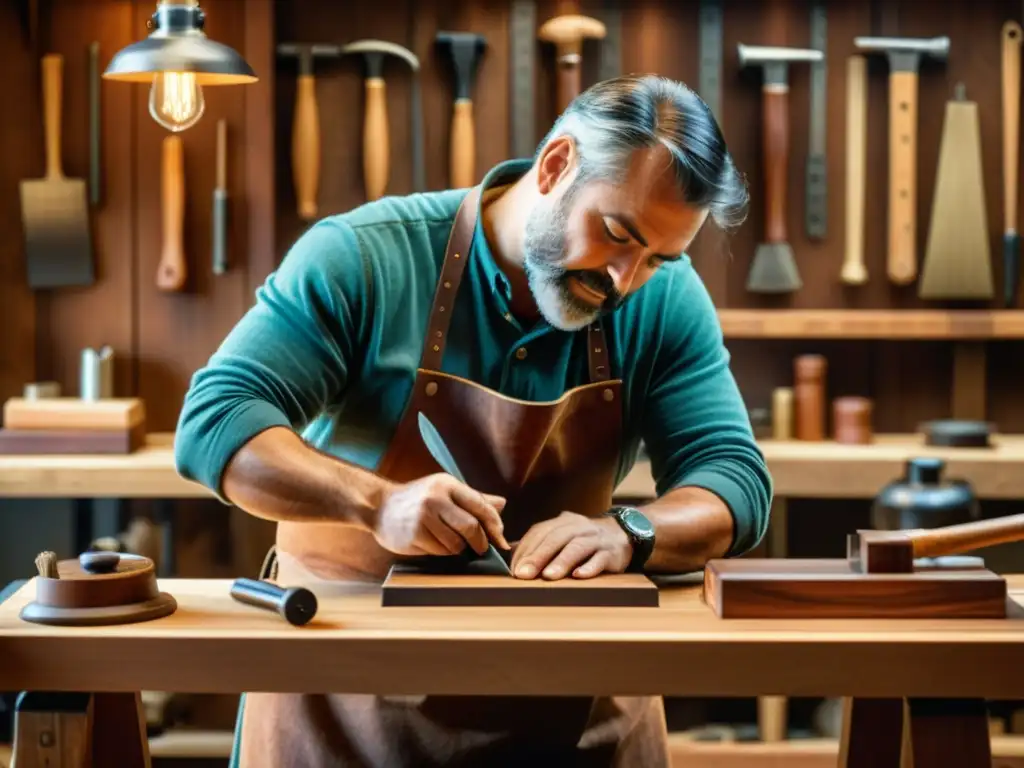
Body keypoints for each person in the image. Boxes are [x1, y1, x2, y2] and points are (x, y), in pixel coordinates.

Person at [174, 73, 773, 768]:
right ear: (555, 166)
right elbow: (216, 423)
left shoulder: (662, 300)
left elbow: (734, 481)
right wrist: (374, 502)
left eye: (657, 258)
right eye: (615, 234)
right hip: (345, 705)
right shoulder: (366, 257)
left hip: (570, 710)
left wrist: (631, 532)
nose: (623, 281)